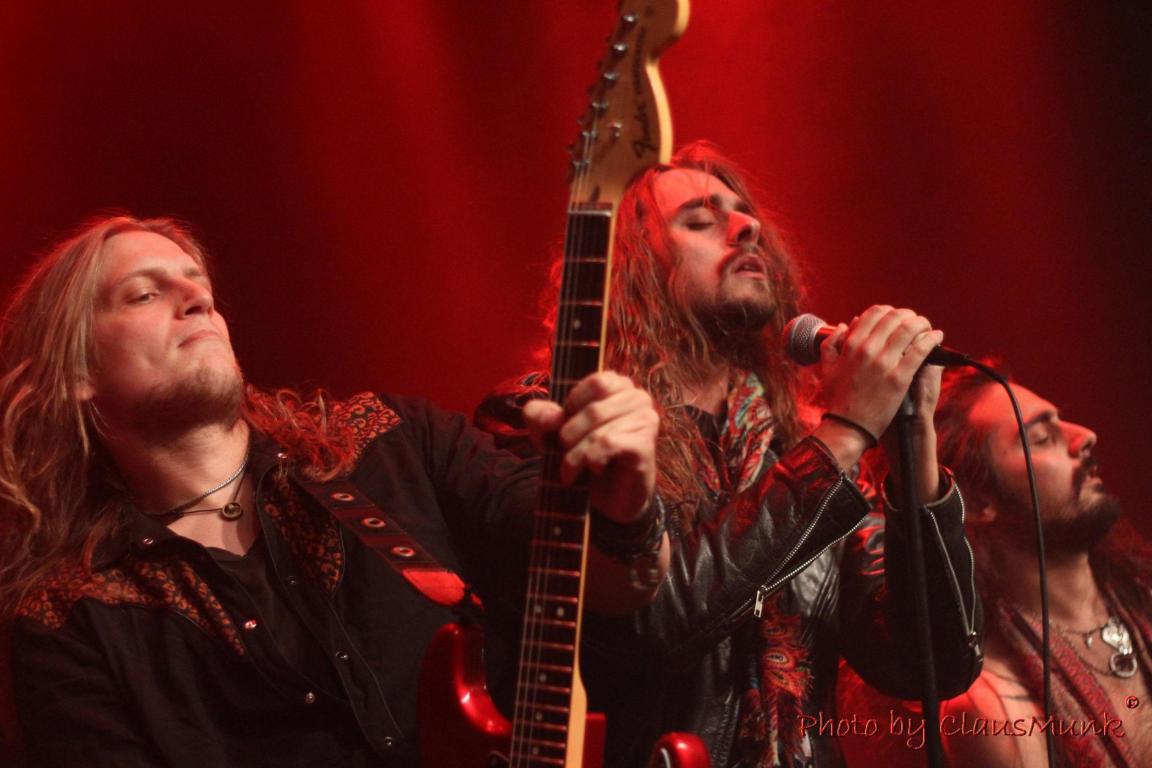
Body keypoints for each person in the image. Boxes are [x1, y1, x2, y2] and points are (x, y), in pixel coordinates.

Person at [0, 214, 666, 768]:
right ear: (77, 372)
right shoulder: (69, 618)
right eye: (144, 294)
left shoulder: (394, 443)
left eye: (198, 282)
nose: (196, 298)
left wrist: (627, 509)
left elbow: (614, 590)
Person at [476, 141, 983, 767]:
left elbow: (932, 665)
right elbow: (649, 627)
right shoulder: (550, 420)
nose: (749, 227)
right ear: (630, 268)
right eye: (699, 221)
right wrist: (847, 431)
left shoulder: (798, 444)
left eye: (745, 214)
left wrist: (914, 450)